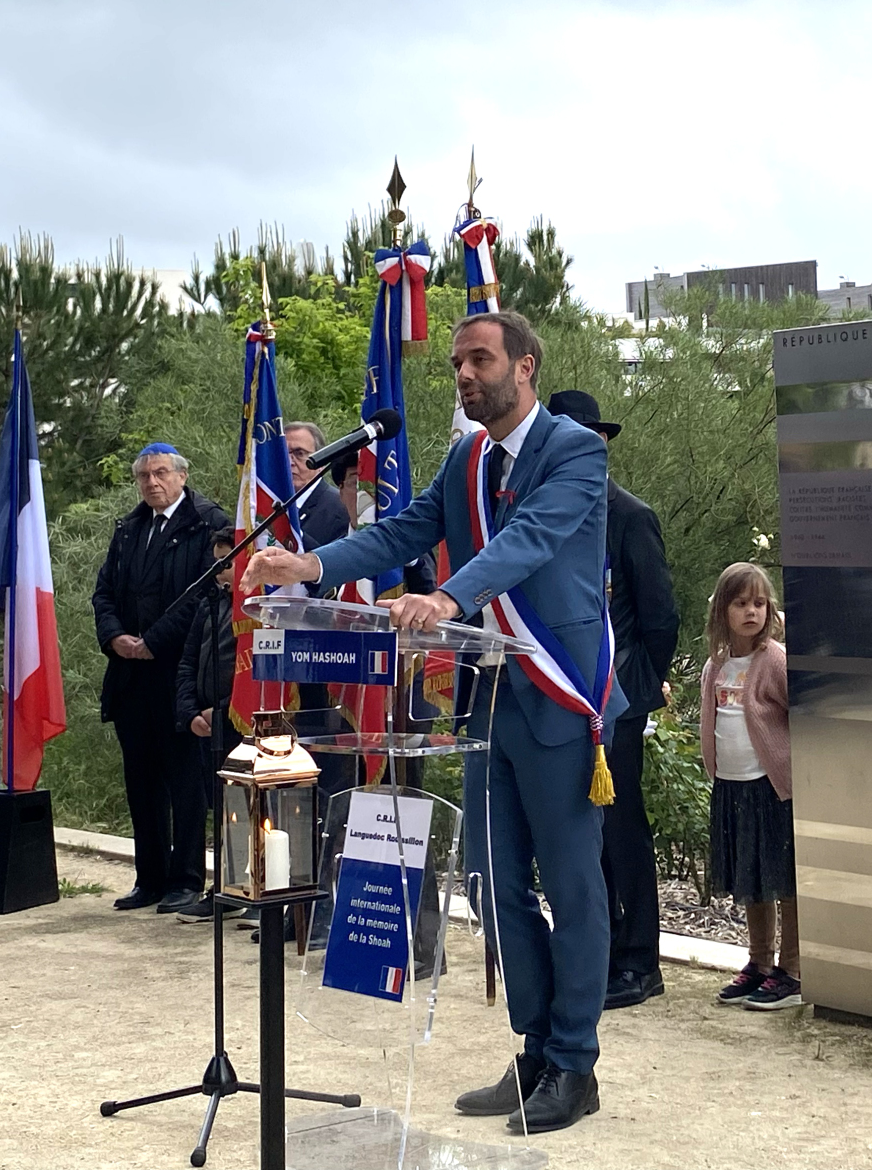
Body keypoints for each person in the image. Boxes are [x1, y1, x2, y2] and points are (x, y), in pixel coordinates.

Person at [242, 310, 622, 1134]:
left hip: (559, 696)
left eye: (479, 360)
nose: (462, 374)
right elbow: (406, 530)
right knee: (492, 884)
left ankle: (576, 1062)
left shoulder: (576, 451)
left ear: (526, 366)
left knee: (573, 886)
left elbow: (529, 541)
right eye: (455, 362)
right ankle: (535, 1048)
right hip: (492, 696)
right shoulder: (466, 457)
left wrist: (449, 596)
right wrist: (309, 565)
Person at [546, 389, 680, 1012]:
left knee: (622, 831)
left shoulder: (628, 514)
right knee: (583, 834)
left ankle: (638, 959)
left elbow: (659, 614)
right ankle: (597, 951)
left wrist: (638, 690)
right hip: (561, 696)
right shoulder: (545, 512)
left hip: (613, 699)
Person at [92, 444, 231, 914]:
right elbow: (104, 591)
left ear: (181, 476)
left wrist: (153, 640)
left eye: (161, 473)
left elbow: (202, 597)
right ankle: (148, 877)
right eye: (145, 476)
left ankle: (186, 878)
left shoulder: (207, 522)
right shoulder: (129, 528)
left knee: (186, 780)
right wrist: (115, 638)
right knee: (141, 780)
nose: (153, 482)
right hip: (130, 675)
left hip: (178, 673)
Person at [699, 562, 801, 1012]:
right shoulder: (716, 667)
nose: (751, 612)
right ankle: (759, 962)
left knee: (784, 879)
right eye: (741, 603)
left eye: (759, 603)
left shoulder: (774, 661)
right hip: (733, 786)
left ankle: (793, 968)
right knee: (753, 877)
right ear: (722, 611)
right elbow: (711, 718)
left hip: (771, 789)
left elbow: (796, 714)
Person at [173, 527, 246, 923]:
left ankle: (251, 886)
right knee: (218, 806)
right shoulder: (208, 605)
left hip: (236, 720)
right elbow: (187, 661)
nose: (222, 573)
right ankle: (223, 887)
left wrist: (222, 709)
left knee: (245, 804)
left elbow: (249, 671)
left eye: (229, 563)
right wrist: (190, 712)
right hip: (204, 722)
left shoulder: (251, 609)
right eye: (217, 563)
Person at [285, 422, 352, 547]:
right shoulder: (264, 504)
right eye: (283, 454)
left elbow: (337, 560)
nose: (289, 462)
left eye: (299, 453)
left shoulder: (342, 507)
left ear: (321, 461)